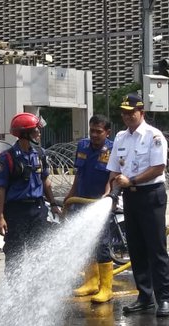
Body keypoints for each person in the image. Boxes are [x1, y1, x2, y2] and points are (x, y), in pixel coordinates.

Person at [106, 94, 169, 317]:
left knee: (156, 249)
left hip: (151, 195)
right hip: (129, 198)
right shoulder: (120, 138)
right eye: (123, 113)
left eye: (130, 112)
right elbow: (114, 169)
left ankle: (163, 298)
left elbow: (158, 168)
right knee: (136, 249)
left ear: (141, 112)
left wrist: (132, 181)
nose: (126, 116)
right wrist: (111, 194)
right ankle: (145, 296)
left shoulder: (154, 136)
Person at [0, 112, 62, 280]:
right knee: (14, 251)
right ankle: (14, 290)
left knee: (39, 249)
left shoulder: (40, 154)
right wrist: (0, 217)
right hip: (16, 211)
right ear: (24, 134)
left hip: (37, 209)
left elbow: (45, 181)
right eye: (35, 131)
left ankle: (36, 286)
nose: (39, 133)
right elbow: (0, 189)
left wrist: (53, 203)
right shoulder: (7, 158)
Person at [66, 115, 114, 303]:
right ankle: (91, 282)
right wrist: (71, 195)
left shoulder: (112, 149)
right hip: (81, 201)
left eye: (98, 131)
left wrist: (108, 195)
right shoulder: (83, 146)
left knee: (101, 244)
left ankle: (106, 288)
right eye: (92, 130)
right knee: (85, 242)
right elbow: (79, 173)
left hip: (99, 204)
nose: (94, 134)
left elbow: (113, 174)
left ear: (107, 132)